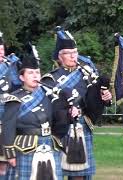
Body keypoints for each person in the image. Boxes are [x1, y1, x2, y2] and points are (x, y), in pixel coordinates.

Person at [42, 27, 112, 180]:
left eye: (75, 52)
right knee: (56, 172)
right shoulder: (51, 79)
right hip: (60, 128)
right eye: (68, 53)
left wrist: (105, 97)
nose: (73, 56)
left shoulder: (86, 74)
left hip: (81, 126)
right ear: (60, 57)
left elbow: (93, 101)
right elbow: (48, 106)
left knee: (80, 174)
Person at [1, 51, 76, 180]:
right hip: (26, 147)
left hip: (49, 144)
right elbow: (8, 126)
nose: (35, 76)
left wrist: (69, 112)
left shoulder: (49, 95)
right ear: (22, 77)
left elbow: (58, 121)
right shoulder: (14, 99)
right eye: (30, 73)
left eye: (37, 72)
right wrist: (10, 154)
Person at [0, 31, 21, 180]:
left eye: (2, 50)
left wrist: (17, 66)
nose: (1, 54)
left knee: (4, 161)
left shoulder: (10, 65)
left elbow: (18, 85)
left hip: (6, 117)